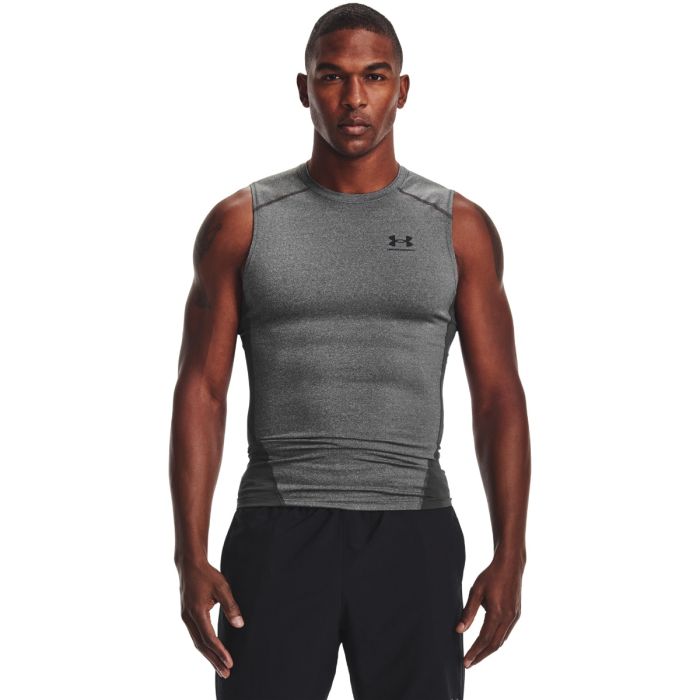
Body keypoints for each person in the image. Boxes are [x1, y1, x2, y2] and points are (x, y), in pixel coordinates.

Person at [169, 4, 531, 699]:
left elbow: (497, 396)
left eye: (375, 76)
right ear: (304, 89)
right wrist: (189, 552)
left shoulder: (457, 227)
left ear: (403, 89)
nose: (354, 97)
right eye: (332, 77)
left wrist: (511, 552)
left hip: (414, 530)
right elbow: (202, 390)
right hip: (276, 528)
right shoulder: (242, 224)